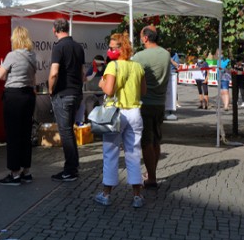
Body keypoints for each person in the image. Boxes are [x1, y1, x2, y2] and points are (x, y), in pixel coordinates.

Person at [94, 32, 147, 208]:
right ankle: (137, 195)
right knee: (133, 154)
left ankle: (106, 194)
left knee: (110, 153)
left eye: (111, 47)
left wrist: (101, 83)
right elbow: (144, 91)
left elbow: (108, 90)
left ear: (120, 48)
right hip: (135, 112)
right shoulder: (138, 66)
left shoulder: (112, 66)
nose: (108, 50)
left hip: (116, 114)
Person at [0, 26, 37, 186]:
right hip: (28, 96)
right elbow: (33, 78)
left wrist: (1, 68)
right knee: (26, 134)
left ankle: (14, 173)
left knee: (13, 135)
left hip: (13, 96)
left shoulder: (11, 55)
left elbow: (0, 76)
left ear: (15, 39)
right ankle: (26, 171)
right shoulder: (32, 55)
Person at [131, 25, 170, 189]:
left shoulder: (139, 56)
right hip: (160, 103)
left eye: (141, 36)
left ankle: (152, 178)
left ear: (146, 38)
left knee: (147, 141)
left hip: (145, 103)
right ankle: (152, 172)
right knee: (156, 139)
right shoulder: (166, 54)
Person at [48, 18, 85, 182]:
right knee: (69, 130)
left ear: (55, 30)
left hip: (63, 94)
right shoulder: (78, 47)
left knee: (66, 132)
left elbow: (54, 73)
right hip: (76, 93)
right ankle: (73, 166)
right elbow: (83, 74)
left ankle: (70, 170)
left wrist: (50, 90)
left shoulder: (58, 47)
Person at [165, 50, 180, 120]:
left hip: (172, 75)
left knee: (172, 92)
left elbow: (177, 65)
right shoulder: (162, 54)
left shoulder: (175, 55)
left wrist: (171, 60)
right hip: (165, 74)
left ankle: (171, 110)